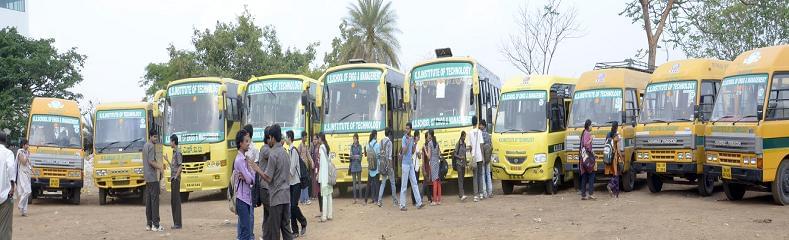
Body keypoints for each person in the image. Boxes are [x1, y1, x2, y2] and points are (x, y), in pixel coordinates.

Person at [233, 129, 256, 240]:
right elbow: (250, 179)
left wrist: (250, 178)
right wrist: (250, 178)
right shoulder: (240, 160)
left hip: (246, 198)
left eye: (249, 141)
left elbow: (252, 178)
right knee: (246, 231)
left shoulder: (244, 159)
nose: (248, 143)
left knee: (244, 230)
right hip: (242, 199)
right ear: (240, 143)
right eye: (246, 141)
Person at [286, 131, 308, 237]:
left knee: (293, 206)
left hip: (296, 183)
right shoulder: (288, 150)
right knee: (291, 207)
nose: (285, 139)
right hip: (290, 183)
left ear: (289, 138)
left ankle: (303, 222)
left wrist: (285, 178)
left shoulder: (293, 150)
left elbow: (292, 169)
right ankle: (295, 231)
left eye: (286, 137)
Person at [399, 122, 424, 211]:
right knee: (404, 185)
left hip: (410, 163)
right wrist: (409, 141)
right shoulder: (403, 138)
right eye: (406, 128)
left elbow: (413, 151)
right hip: (405, 164)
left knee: (414, 183)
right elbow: (404, 151)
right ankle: (402, 205)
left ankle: (419, 202)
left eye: (408, 128)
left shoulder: (411, 138)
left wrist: (415, 143)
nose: (406, 130)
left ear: (411, 129)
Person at [143, 129, 164, 232]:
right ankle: (156, 224)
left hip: (147, 177)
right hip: (152, 177)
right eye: (154, 137)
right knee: (155, 201)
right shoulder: (151, 146)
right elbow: (151, 161)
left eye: (157, 137)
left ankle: (149, 224)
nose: (156, 139)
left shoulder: (145, 145)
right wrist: (160, 167)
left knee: (149, 201)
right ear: (150, 137)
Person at [0, 131, 17, 239]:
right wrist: (12, 186)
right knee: (4, 228)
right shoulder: (8, 153)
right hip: (4, 196)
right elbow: (11, 168)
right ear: (6, 141)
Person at [165, 135, 182, 229]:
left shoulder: (178, 153)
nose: (170, 143)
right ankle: (176, 222)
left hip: (175, 179)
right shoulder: (174, 152)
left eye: (170, 141)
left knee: (176, 201)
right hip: (173, 178)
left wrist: (176, 177)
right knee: (173, 201)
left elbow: (180, 166)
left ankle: (178, 223)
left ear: (174, 142)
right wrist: (167, 160)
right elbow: (174, 167)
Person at [377, 129, 398, 207]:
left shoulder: (381, 141)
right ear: (389, 134)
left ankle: (379, 201)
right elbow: (389, 156)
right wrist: (390, 167)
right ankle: (395, 201)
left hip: (382, 165)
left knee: (383, 183)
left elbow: (379, 155)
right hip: (388, 165)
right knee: (392, 183)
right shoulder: (389, 143)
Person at [318, 132, 334, 222]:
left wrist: (319, 175)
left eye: (318, 138)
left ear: (321, 138)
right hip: (329, 174)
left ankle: (324, 216)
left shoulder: (321, 148)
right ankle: (330, 214)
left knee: (324, 196)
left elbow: (322, 164)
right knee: (329, 195)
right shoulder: (327, 147)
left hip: (324, 175)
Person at [579, 119, 596, 200]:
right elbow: (586, 144)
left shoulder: (584, 133)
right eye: (591, 125)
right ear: (588, 126)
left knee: (584, 176)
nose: (592, 126)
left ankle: (583, 194)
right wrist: (591, 139)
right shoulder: (587, 133)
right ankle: (590, 194)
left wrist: (592, 151)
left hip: (583, 158)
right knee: (592, 174)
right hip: (587, 158)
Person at [605, 121, 622, 198]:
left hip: (608, 157)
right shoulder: (616, 136)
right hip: (614, 157)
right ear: (617, 127)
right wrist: (622, 158)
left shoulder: (608, 134)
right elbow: (618, 150)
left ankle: (615, 193)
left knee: (614, 173)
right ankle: (611, 186)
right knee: (616, 174)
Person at [469, 117, 484, 202]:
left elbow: (470, 146)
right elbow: (481, 145)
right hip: (480, 157)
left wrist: (472, 154)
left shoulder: (470, 132)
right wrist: (482, 156)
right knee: (480, 175)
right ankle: (481, 194)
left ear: (472, 123)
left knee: (475, 176)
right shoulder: (480, 132)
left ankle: (476, 195)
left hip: (474, 157)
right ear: (477, 123)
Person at [16, 139, 32, 216]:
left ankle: (24, 211)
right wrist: (28, 155)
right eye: (27, 144)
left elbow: (29, 163)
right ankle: (20, 205)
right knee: (27, 191)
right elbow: (23, 162)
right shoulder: (20, 152)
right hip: (22, 174)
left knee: (25, 192)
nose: (28, 145)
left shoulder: (26, 152)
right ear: (23, 145)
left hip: (27, 173)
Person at [364, 130, 380, 205]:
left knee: (369, 184)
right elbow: (379, 156)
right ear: (375, 135)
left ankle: (367, 200)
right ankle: (376, 200)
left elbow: (366, 155)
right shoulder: (377, 144)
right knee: (376, 184)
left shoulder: (368, 145)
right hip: (376, 167)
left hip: (370, 167)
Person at [298, 132, 313, 205]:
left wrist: (312, 162)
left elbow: (308, 155)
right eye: (305, 137)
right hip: (301, 168)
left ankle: (303, 199)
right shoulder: (300, 146)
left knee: (305, 183)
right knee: (304, 183)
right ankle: (304, 199)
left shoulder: (305, 146)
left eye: (306, 137)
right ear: (302, 137)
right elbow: (298, 156)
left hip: (305, 167)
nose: (306, 138)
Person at [428, 130, 443, 205]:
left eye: (428, 134)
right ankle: (439, 200)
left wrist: (424, 149)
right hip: (437, 162)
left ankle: (434, 200)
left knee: (434, 181)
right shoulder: (437, 143)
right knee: (438, 181)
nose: (428, 136)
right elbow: (439, 153)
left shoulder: (429, 144)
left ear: (430, 135)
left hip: (432, 163)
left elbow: (429, 156)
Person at [481, 120, 494, 199]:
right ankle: (490, 192)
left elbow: (480, 146)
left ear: (483, 126)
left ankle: (484, 193)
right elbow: (491, 147)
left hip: (483, 157)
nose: (479, 126)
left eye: (481, 125)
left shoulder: (480, 134)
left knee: (483, 174)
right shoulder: (489, 135)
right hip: (488, 157)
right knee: (488, 174)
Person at [349, 133, 363, 204]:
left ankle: (360, 198)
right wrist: (356, 156)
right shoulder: (351, 147)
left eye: (355, 139)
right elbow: (351, 156)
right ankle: (355, 198)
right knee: (354, 183)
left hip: (358, 166)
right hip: (353, 166)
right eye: (353, 139)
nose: (354, 140)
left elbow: (360, 157)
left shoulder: (360, 146)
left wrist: (355, 156)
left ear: (357, 139)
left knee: (359, 182)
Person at [454, 131, 468, 200]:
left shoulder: (464, 144)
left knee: (462, 179)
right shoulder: (458, 144)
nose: (465, 138)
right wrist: (460, 157)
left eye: (465, 136)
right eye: (464, 136)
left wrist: (466, 163)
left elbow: (465, 155)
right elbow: (455, 154)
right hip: (458, 164)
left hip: (463, 164)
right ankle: (462, 194)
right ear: (461, 136)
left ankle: (461, 194)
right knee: (460, 179)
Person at [420, 131, 433, 205]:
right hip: (426, 166)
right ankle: (420, 198)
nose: (429, 138)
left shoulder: (429, 145)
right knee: (425, 183)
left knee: (427, 182)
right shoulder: (424, 147)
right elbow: (423, 159)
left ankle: (429, 198)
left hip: (428, 166)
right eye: (428, 137)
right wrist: (423, 168)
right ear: (426, 138)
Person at [311, 135, 321, 216]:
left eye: (315, 139)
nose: (314, 141)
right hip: (316, 172)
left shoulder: (319, 148)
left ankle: (323, 211)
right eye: (313, 139)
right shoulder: (315, 149)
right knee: (318, 192)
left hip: (319, 173)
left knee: (320, 192)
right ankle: (321, 211)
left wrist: (318, 173)